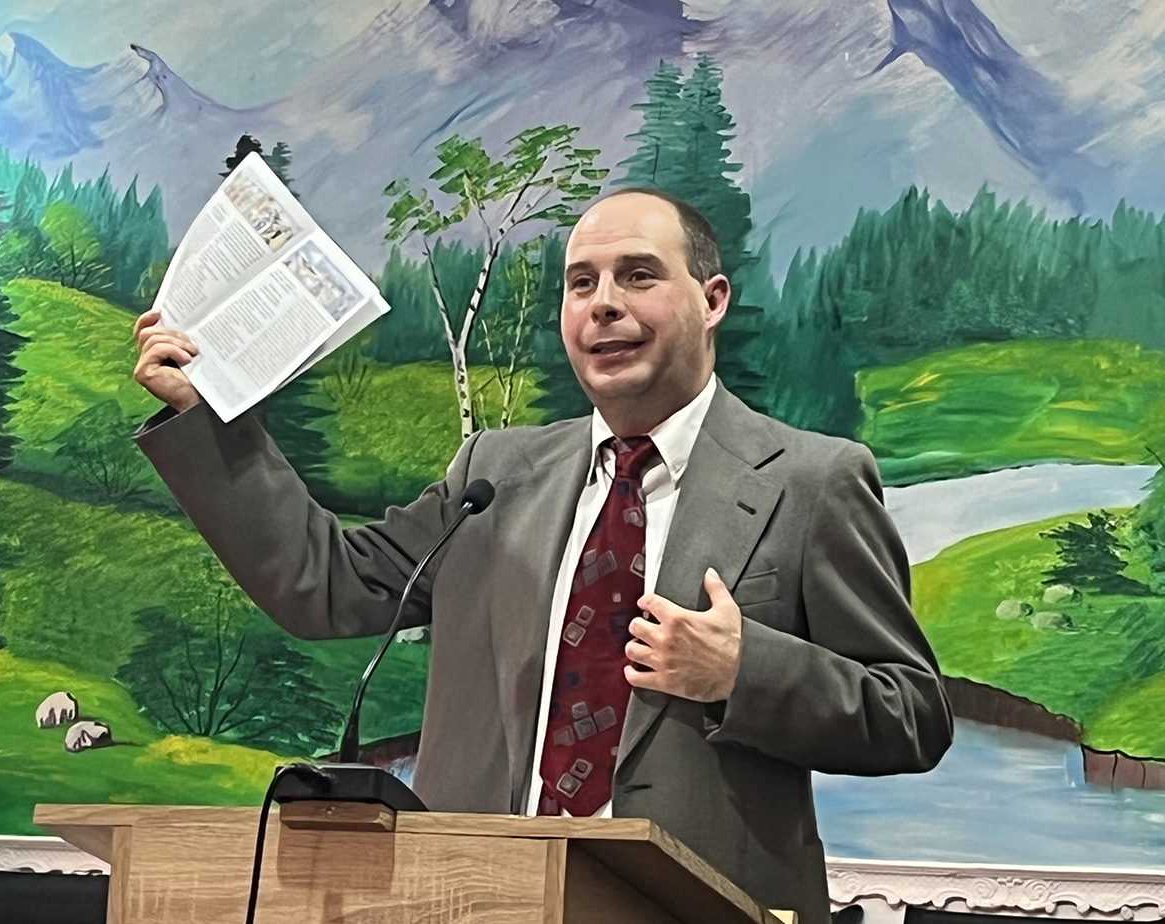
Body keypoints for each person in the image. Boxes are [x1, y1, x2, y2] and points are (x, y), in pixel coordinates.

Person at [131, 189, 953, 924]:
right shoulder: (493, 474)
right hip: (473, 899)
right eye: (581, 282)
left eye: (637, 276)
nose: (602, 305)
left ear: (711, 301)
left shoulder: (812, 481)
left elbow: (911, 714)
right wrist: (211, 422)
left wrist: (745, 673)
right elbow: (325, 587)